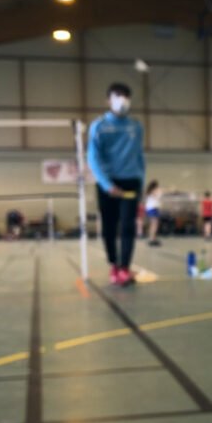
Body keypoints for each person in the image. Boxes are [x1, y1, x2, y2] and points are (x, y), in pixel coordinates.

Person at [88, 82, 145, 287]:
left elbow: (140, 156)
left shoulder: (136, 126)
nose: (122, 100)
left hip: (131, 182)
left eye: (126, 96)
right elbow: (92, 158)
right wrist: (106, 184)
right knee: (109, 228)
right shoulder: (99, 126)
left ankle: (125, 268)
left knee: (129, 227)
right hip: (108, 185)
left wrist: (142, 184)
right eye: (117, 95)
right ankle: (114, 264)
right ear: (108, 100)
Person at [144, 180, 162, 247]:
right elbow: (158, 196)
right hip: (153, 208)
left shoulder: (150, 191)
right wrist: (159, 191)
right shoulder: (153, 191)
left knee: (153, 224)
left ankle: (153, 238)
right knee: (154, 225)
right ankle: (152, 240)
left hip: (152, 208)